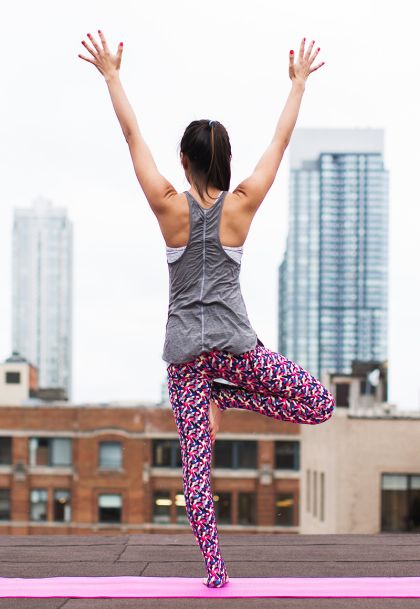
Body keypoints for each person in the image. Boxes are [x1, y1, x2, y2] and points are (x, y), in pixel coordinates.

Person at [78, 31, 333, 588]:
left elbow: (131, 136)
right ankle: (227, 396)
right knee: (320, 405)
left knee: (196, 472)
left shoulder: (168, 206)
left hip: (187, 362)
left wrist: (112, 76)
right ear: (226, 162)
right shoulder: (241, 206)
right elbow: (281, 141)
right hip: (237, 352)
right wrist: (298, 83)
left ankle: (215, 573)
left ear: (184, 160)